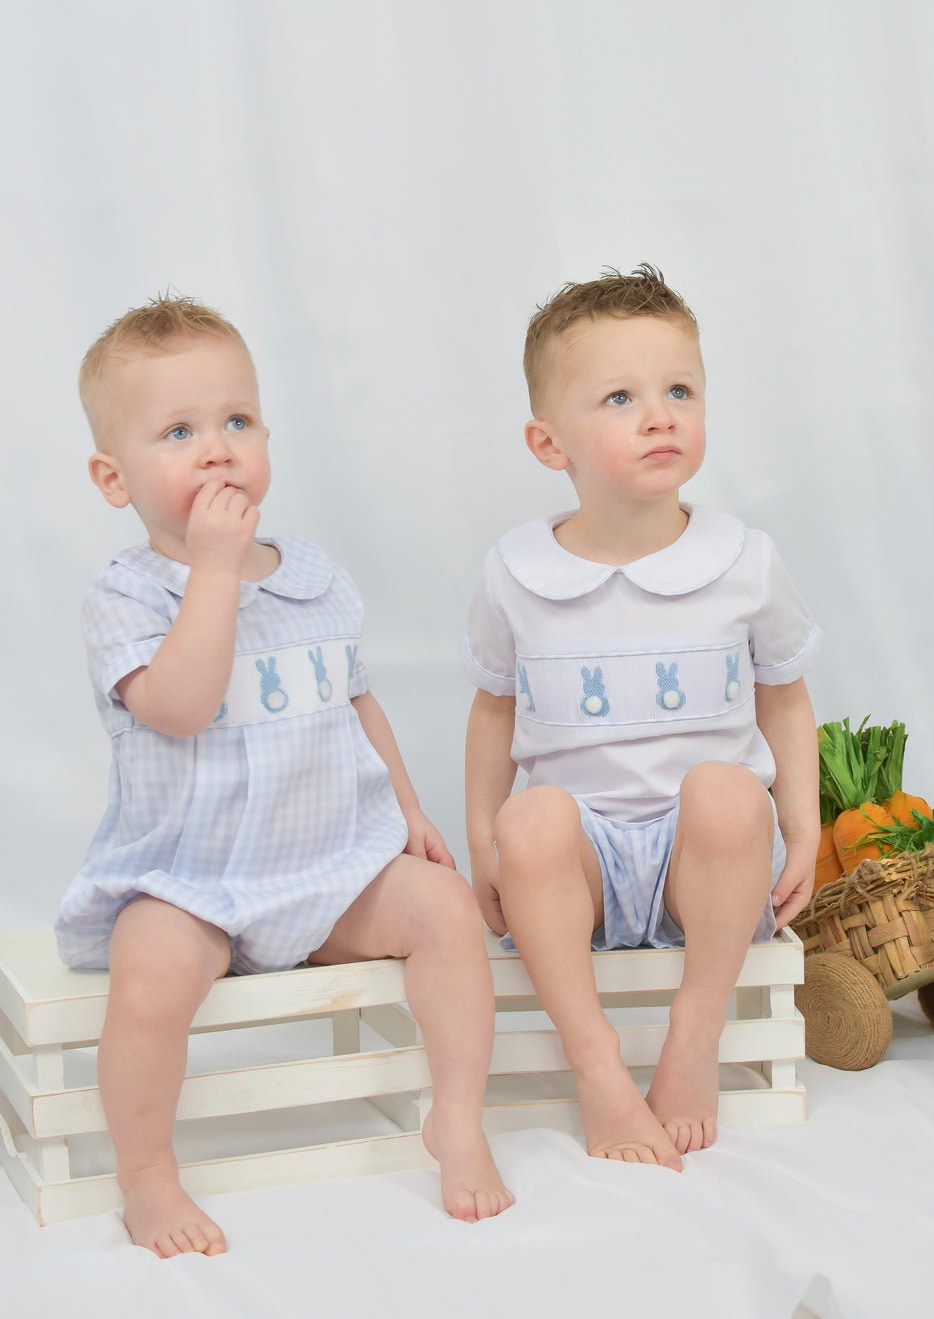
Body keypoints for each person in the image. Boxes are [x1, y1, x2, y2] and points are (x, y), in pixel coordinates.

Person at [57, 297, 513, 1258]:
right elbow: (178, 705)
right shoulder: (126, 597)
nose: (217, 450)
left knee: (445, 912)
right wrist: (214, 573)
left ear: (267, 432)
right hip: (193, 878)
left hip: (324, 866)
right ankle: (148, 1174)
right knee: (148, 979)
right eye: (178, 432)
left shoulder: (310, 574)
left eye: (235, 421)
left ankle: (457, 1119)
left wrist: (406, 810)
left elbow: (357, 702)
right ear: (113, 477)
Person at [462, 265, 820, 1170]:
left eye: (679, 391)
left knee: (727, 792)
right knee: (532, 815)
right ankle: (600, 1072)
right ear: (551, 443)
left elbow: (782, 693)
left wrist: (804, 829)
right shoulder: (517, 574)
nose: (659, 414)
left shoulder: (742, 559)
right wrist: (481, 835)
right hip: (578, 868)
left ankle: (690, 1046)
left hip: (703, 868)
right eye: (620, 397)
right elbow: (493, 708)